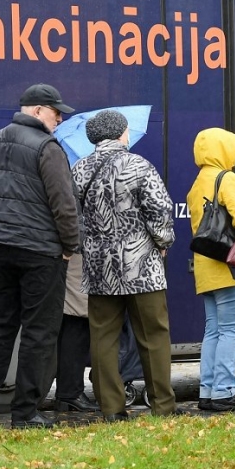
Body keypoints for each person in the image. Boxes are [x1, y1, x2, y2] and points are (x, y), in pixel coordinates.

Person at [0, 83, 80, 430]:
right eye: (55, 111)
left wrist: (0, 230)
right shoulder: (47, 147)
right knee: (39, 332)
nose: (60, 117)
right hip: (41, 252)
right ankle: (25, 412)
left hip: (2, 248)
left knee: (0, 328)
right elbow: (64, 205)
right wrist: (69, 246)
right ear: (37, 110)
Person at [73, 109, 177, 421]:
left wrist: (88, 245)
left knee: (103, 337)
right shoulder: (138, 165)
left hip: (98, 266)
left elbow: (72, 216)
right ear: (121, 133)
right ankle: (163, 406)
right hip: (141, 265)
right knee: (153, 335)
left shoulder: (79, 169)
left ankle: (112, 409)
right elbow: (159, 209)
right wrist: (162, 242)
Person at [187, 128, 235, 412]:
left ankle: (208, 389)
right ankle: (225, 390)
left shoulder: (197, 183)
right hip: (231, 267)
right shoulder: (227, 178)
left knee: (213, 330)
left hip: (206, 268)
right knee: (233, 330)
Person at [54, 253, 99, 412]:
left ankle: (66, 393)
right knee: (78, 318)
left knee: (72, 319)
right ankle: (70, 392)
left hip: (72, 249)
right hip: (78, 249)